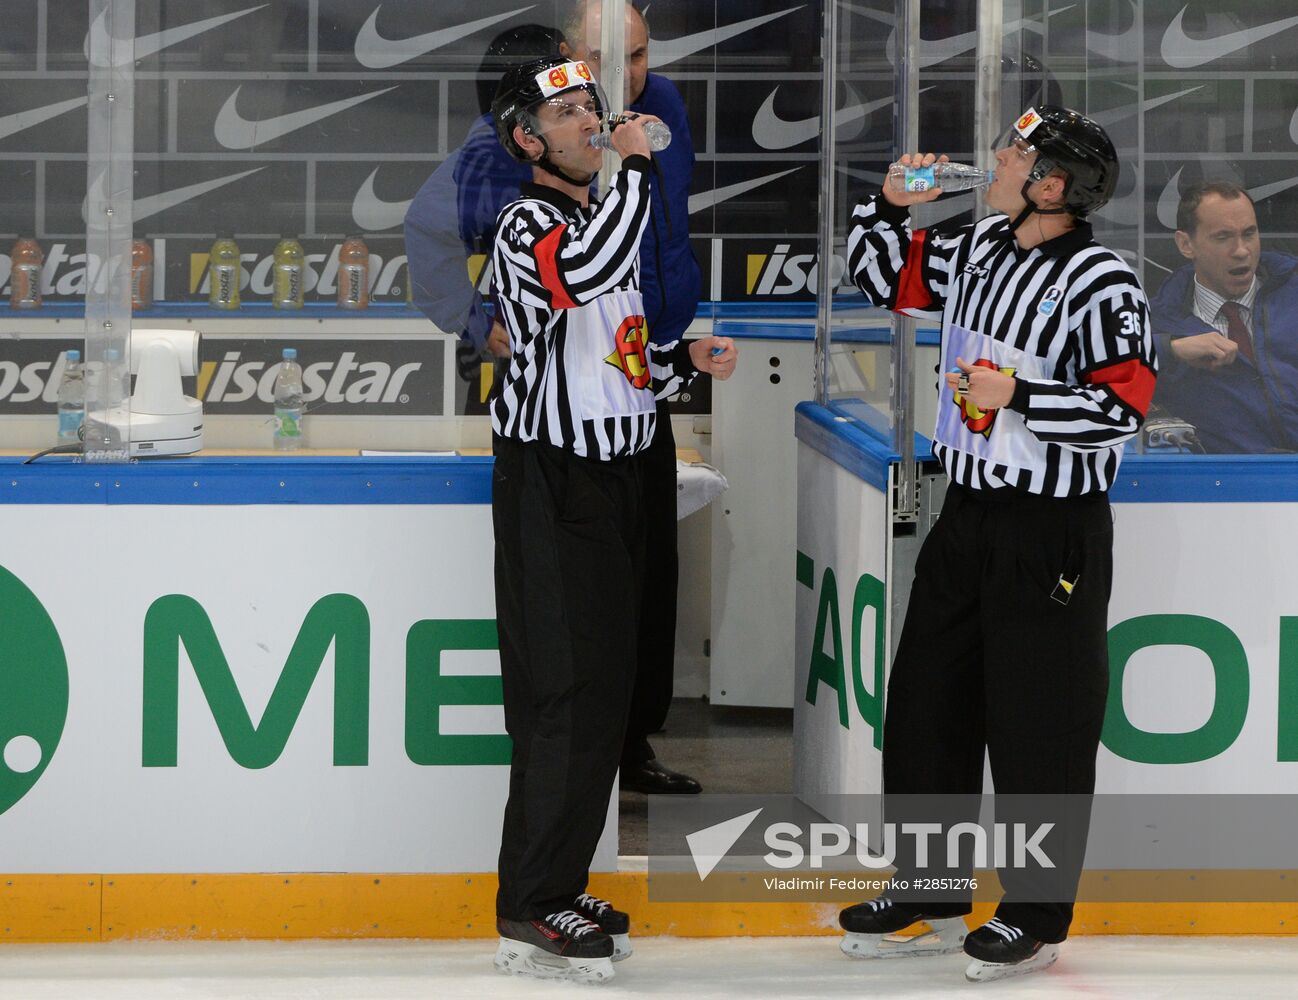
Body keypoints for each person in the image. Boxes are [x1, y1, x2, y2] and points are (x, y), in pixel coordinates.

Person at [838, 107, 1156, 983]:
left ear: (1051, 186)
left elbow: (1121, 409)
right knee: (927, 708)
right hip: (967, 514)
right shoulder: (981, 246)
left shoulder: (1102, 284)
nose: (996, 159)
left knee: (1040, 726)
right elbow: (887, 280)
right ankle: (930, 888)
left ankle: (1035, 915)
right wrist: (888, 204)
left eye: (1015, 153)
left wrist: (1017, 395)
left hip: (1050, 532)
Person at [486, 54, 736, 984]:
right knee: (565, 691)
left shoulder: (607, 218)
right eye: (567, 112)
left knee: (606, 695)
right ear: (528, 140)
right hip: (557, 483)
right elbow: (581, 280)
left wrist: (680, 363)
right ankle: (530, 901)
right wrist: (634, 167)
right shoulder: (527, 225)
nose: (590, 119)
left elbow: (618, 352)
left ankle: (562, 882)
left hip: (627, 470)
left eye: (592, 105)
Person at [561, 0, 707, 796]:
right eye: (610, 57)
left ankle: (634, 741)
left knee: (653, 566)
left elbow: (665, 227)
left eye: (642, 55)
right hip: (580, 383)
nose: (631, 74)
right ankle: (587, 746)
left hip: (647, 370)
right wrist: (481, 322)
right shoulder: (545, 122)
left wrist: (672, 337)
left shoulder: (666, 105)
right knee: (596, 575)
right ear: (569, 52)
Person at [403, 25, 563, 409]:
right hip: (532, 361)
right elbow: (427, 224)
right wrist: (475, 322)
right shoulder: (497, 150)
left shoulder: (577, 136)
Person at [1149, 181, 1298, 453]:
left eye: (1249, 234)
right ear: (1186, 244)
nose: (1241, 251)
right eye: (1223, 237)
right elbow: (1101, 366)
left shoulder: (1292, 292)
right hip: (1232, 477)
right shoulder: (1161, 322)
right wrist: (1169, 349)